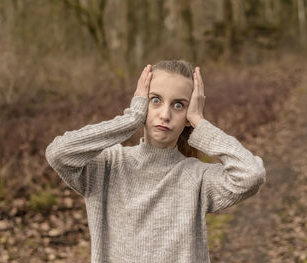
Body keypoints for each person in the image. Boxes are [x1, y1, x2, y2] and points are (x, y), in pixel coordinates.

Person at [45, 60, 266, 263]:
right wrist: (131, 118)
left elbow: (251, 175)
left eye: (179, 105)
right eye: (155, 100)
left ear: (188, 116)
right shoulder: (108, 165)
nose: (165, 114)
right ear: (142, 103)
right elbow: (58, 153)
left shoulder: (196, 177)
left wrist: (200, 122)